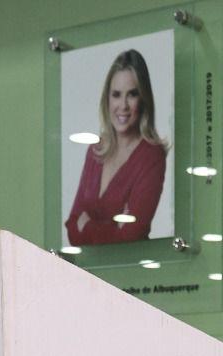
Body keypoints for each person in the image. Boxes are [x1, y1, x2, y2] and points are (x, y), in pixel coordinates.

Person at [64, 49, 167, 246]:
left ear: (143, 99)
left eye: (132, 95)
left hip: (130, 273)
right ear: (107, 99)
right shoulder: (96, 150)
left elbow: (131, 236)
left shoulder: (152, 156)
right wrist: (112, 229)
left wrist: (87, 225)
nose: (123, 105)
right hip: (88, 273)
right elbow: (71, 228)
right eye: (116, 95)